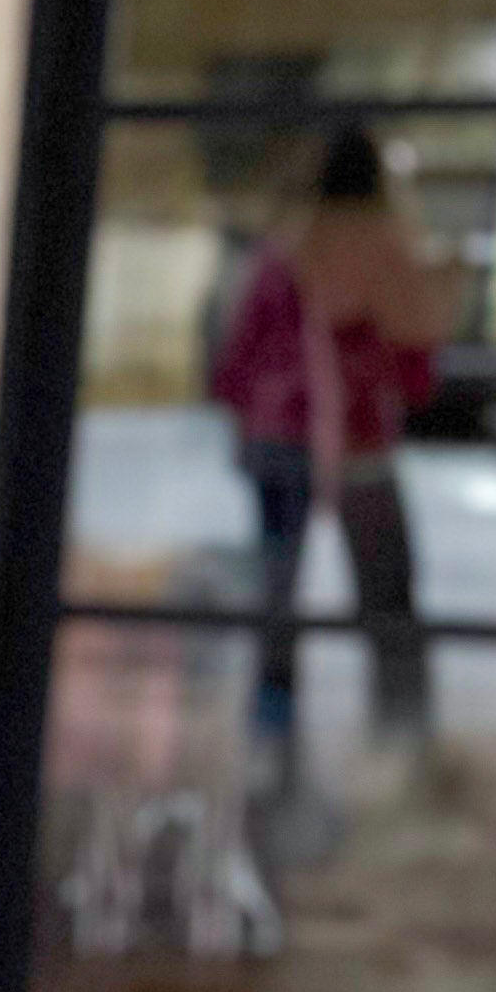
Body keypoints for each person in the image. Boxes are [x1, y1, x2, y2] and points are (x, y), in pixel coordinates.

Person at [208, 119, 458, 756]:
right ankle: (402, 734)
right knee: (388, 596)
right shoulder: (387, 245)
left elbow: (237, 358)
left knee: (279, 589)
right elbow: (415, 366)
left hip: (274, 438)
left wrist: (251, 421)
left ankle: (271, 729)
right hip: (358, 443)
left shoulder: (286, 245)